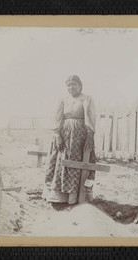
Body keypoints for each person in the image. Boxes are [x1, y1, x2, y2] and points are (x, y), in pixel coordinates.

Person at [44, 75, 97, 205]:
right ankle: (59, 196)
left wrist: (90, 135)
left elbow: (90, 117)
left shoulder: (87, 99)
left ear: (80, 85)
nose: (71, 87)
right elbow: (57, 117)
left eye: (74, 84)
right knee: (60, 162)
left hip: (79, 137)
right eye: (68, 85)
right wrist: (57, 134)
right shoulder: (63, 100)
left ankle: (75, 197)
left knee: (78, 163)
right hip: (64, 136)